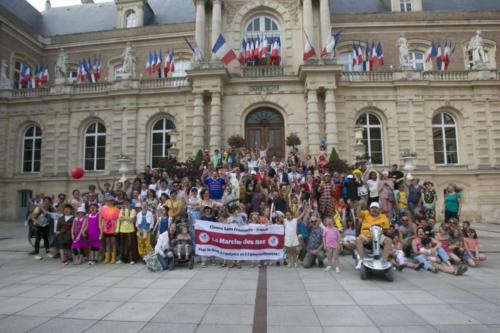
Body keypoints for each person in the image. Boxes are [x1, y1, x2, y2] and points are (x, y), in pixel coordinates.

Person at [355, 202, 392, 270]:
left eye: (376, 208)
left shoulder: (383, 216)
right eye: (372, 208)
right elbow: (358, 213)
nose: (374, 210)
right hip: (366, 234)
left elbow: (386, 228)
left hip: (379, 234)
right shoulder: (366, 213)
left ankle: (384, 261)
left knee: (388, 241)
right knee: (358, 239)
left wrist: (380, 233)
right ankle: (361, 260)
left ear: (379, 210)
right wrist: (359, 205)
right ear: (369, 209)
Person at [116, 198, 138, 264]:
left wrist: (124, 217)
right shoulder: (121, 210)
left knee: (130, 244)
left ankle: (132, 259)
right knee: (123, 245)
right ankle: (122, 259)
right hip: (122, 229)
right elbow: (120, 219)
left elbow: (131, 220)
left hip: (130, 229)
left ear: (129, 203)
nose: (125, 204)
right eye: (124, 203)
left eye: (127, 202)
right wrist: (126, 218)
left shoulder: (132, 210)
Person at [100, 196, 120, 264]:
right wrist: (102, 229)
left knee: (113, 243)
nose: (109, 202)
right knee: (107, 243)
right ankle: (107, 258)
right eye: (108, 201)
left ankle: (113, 258)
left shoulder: (117, 209)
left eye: (111, 201)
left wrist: (117, 229)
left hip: (113, 227)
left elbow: (118, 220)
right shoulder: (103, 209)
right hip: (106, 228)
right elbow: (102, 219)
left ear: (113, 202)